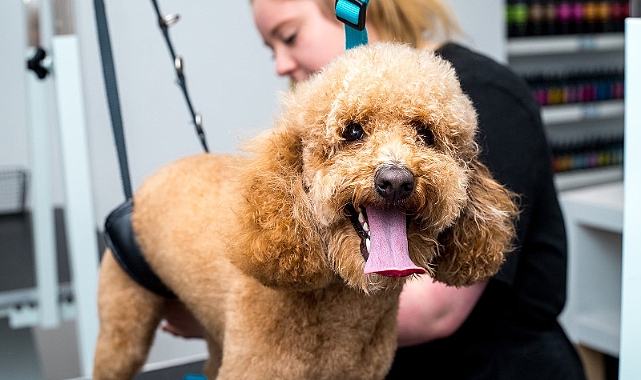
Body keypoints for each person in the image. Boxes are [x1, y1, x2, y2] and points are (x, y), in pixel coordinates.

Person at [163, 0, 587, 379]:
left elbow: (431, 311)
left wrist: (225, 314)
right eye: (352, 133)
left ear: (355, 10)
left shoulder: (484, 94)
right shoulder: (314, 125)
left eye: (289, 36)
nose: (280, 65)